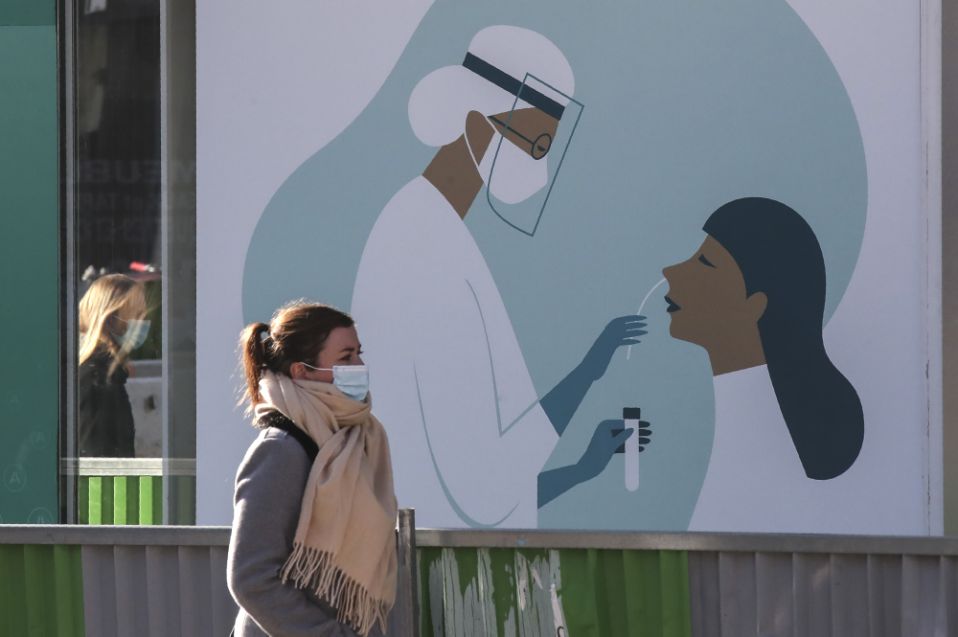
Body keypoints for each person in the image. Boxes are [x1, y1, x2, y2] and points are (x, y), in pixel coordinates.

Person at [351, 25, 645, 528]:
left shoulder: (436, 230)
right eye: (536, 145)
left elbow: (483, 484)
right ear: (477, 125)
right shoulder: (423, 248)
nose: (540, 170)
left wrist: (580, 470)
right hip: (442, 574)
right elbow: (482, 485)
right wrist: (587, 371)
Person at [662, 197, 865, 532]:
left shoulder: (771, 432)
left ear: (755, 305)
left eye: (705, 263)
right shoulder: (717, 412)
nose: (671, 272)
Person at [227, 301, 397, 637]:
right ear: (301, 371)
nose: (359, 366)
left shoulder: (353, 443)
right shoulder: (281, 451)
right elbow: (250, 577)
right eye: (345, 357)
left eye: (359, 354)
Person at [77, 273, 150, 457]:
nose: (143, 323)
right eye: (136, 314)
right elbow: (98, 463)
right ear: (110, 319)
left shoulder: (107, 375)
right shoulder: (97, 380)